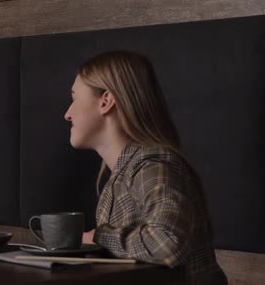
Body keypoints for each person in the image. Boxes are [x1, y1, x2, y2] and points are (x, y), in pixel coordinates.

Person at [64, 51, 227, 284]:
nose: (67, 114)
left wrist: (99, 237)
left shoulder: (152, 165)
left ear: (106, 101)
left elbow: (167, 242)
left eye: (74, 98)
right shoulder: (124, 172)